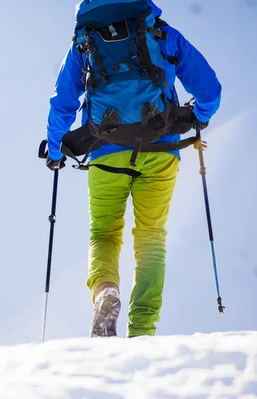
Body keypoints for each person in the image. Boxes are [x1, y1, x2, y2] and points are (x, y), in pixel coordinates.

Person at [45, 0, 221, 338]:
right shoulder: (162, 32)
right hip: (162, 150)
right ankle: (142, 331)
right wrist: (198, 117)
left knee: (104, 233)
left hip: (105, 152)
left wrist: (55, 151)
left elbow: (62, 102)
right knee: (151, 238)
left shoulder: (85, 39)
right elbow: (210, 89)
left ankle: (105, 292)